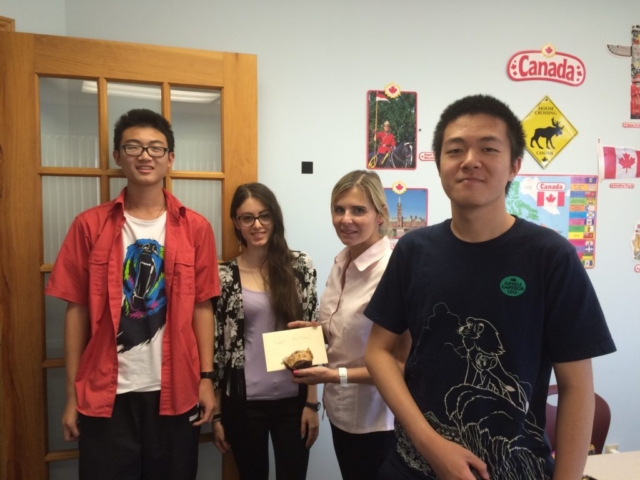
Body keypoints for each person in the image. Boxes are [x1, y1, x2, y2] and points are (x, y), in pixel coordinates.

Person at [364, 94, 616, 480]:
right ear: (440, 164)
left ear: (515, 165)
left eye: (488, 148)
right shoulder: (413, 251)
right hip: (413, 465)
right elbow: (378, 351)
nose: (470, 160)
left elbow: (576, 387)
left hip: (515, 467)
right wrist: (432, 445)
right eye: (455, 150)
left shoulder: (550, 257)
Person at [45, 109, 219, 480]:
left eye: (156, 148)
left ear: (170, 158)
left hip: (176, 391)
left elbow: (202, 306)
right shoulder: (89, 226)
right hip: (106, 394)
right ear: (117, 156)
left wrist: (206, 377)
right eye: (133, 147)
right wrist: (73, 394)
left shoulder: (196, 228)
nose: (145, 155)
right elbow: (77, 311)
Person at [290, 170, 410, 480]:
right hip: (340, 412)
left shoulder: (392, 270)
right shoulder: (341, 262)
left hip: (378, 421)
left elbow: (401, 365)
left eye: (358, 210)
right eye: (339, 209)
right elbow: (347, 331)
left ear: (380, 215)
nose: (346, 219)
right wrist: (319, 331)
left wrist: (334, 375)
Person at [212, 183, 319, 480]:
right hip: (244, 404)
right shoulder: (224, 276)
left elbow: (311, 334)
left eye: (264, 216)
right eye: (247, 218)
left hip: (293, 401)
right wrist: (217, 414)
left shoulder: (300, 266)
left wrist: (312, 402)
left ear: (275, 217)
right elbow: (219, 349)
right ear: (236, 223)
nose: (257, 225)